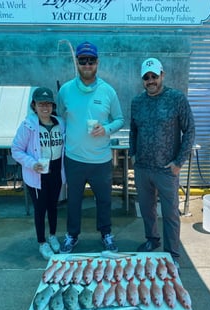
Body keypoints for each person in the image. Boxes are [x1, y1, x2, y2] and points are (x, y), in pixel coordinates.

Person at [57, 41, 124, 254]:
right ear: (77, 62)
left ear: (98, 63)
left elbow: (120, 119)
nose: (87, 64)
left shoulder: (108, 91)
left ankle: (106, 234)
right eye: (83, 60)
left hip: (100, 160)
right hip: (74, 158)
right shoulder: (66, 90)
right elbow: (60, 116)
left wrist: (105, 129)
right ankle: (72, 236)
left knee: (104, 201)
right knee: (74, 201)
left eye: (91, 60)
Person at [129, 58, 195, 267]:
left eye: (154, 76)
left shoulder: (176, 99)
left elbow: (190, 130)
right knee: (147, 209)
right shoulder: (137, 102)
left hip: (167, 170)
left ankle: (173, 255)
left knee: (170, 214)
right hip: (143, 168)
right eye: (147, 78)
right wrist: (132, 154)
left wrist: (179, 162)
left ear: (162, 75)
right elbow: (133, 130)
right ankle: (152, 240)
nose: (151, 81)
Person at [11, 87, 65, 260]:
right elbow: (16, 150)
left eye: (48, 104)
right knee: (40, 209)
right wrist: (32, 164)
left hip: (56, 171)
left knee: (53, 206)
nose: (45, 108)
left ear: (52, 106)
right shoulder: (28, 125)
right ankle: (42, 243)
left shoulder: (60, 122)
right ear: (34, 105)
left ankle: (53, 236)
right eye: (41, 104)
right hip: (37, 174)